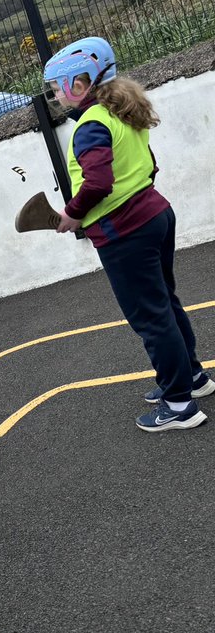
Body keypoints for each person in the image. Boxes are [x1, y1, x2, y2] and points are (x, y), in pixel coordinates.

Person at [45, 36, 212, 432]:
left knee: (151, 318)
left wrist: (71, 215)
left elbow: (98, 182)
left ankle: (179, 406)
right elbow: (148, 164)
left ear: (79, 84)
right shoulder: (119, 108)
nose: (54, 95)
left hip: (126, 230)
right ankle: (193, 378)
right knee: (165, 304)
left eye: (56, 87)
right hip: (155, 214)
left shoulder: (90, 125)